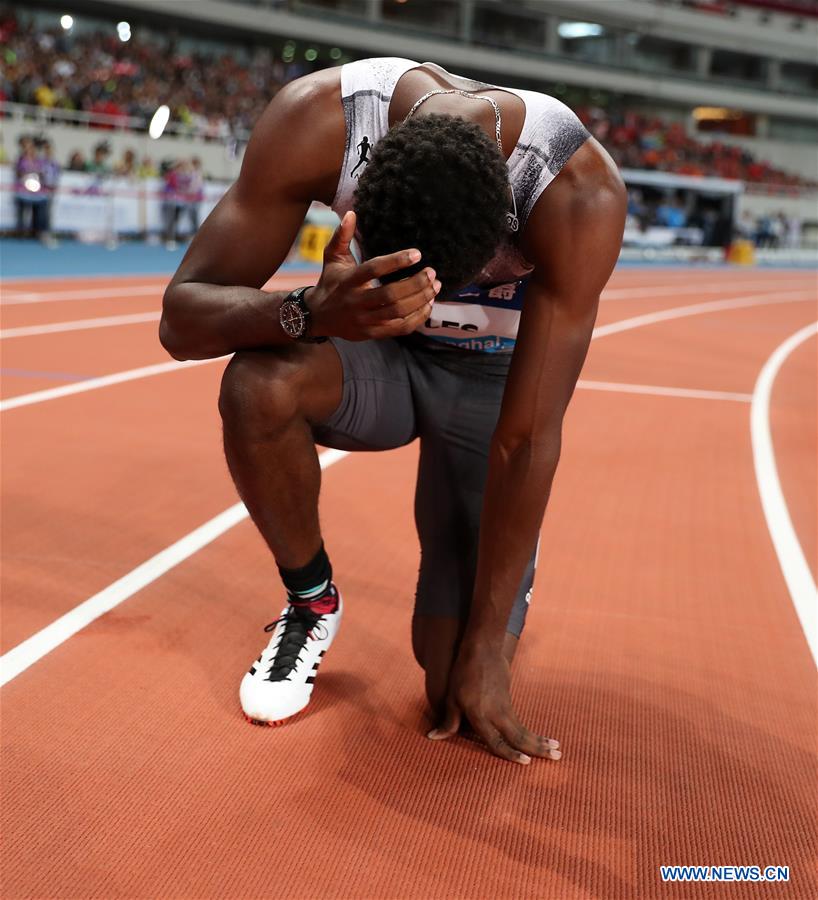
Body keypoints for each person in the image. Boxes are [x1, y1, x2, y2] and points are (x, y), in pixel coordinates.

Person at [161, 58, 626, 764]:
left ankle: (497, 583)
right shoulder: (318, 121)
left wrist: (489, 652)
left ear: (507, 219)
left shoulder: (575, 190)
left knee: (453, 689)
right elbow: (180, 321)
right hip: (371, 342)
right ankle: (312, 601)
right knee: (257, 385)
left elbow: (527, 439)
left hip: (491, 376)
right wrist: (309, 310)